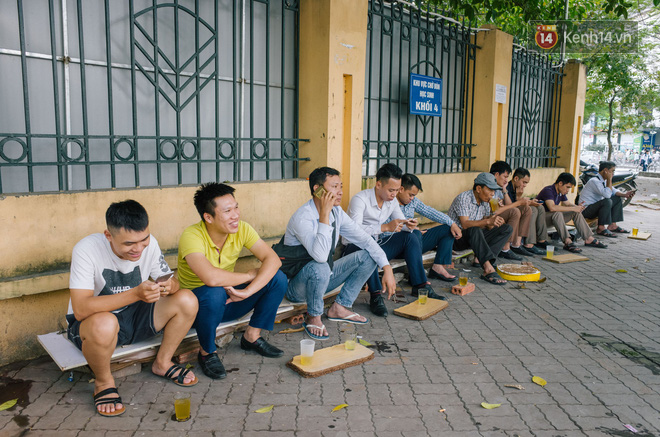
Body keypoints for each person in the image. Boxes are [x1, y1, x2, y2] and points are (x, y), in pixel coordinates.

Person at [67, 200, 199, 417]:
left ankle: (163, 362)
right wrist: (136, 293)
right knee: (105, 323)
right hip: (92, 324)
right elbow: (81, 309)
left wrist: (169, 286)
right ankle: (103, 381)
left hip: (135, 314)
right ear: (108, 236)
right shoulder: (86, 249)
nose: (138, 249)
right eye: (129, 244)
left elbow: (171, 282)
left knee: (187, 299)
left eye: (144, 239)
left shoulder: (150, 244)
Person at [177, 183, 287, 380]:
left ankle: (251, 337)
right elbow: (210, 277)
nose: (236, 215)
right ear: (208, 217)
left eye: (236, 207)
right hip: (196, 311)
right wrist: (248, 277)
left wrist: (247, 291)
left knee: (277, 278)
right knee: (214, 291)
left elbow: (273, 260)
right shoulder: (191, 235)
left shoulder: (242, 229)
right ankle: (207, 352)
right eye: (227, 211)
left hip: (229, 302)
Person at [281, 167, 396, 339]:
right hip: (297, 288)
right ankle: (314, 317)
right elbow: (320, 256)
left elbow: (365, 239)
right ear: (317, 189)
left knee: (368, 255)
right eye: (334, 187)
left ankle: (340, 307)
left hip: (323, 279)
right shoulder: (303, 217)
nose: (340, 192)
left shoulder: (337, 212)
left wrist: (387, 267)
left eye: (340, 186)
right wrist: (324, 214)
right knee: (320, 266)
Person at [344, 163, 442, 318]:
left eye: (397, 190)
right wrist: (384, 227)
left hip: (378, 244)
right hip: (354, 248)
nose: (394, 194)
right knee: (369, 249)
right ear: (378, 185)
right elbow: (353, 233)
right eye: (391, 190)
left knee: (412, 236)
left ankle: (420, 285)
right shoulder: (360, 200)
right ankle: (375, 296)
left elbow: (398, 222)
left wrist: (408, 225)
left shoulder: (392, 201)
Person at [390, 173, 462, 282]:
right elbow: (386, 231)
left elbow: (429, 212)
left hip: (415, 243)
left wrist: (452, 223)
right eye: (410, 194)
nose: (412, 198)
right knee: (416, 234)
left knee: (447, 229)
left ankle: (438, 267)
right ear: (401, 189)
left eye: (414, 195)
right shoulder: (389, 202)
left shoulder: (412, 202)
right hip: (397, 247)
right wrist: (411, 231)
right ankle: (416, 276)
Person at [448, 173, 513, 285]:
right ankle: (488, 269)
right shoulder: (464, 198)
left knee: (506, 228)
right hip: (456, 239)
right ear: (479, 188)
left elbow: (489, 226)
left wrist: (494, 217)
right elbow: (465, 224)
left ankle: (487, 261)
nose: (493, 194)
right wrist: (488, 221)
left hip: (474, 238)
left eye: (494, 191)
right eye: (490, 190)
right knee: (475, 229)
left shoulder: (486, 202)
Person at [535, 172, 607, 253]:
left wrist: (576, 207)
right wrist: (573, 208)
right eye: (567, 187)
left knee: (575, 212)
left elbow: (567, 204)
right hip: (541, 221)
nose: (568, 190)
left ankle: (588, 238)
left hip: (552, 219)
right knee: (557, 213)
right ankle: (567, 241)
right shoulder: (548, 190)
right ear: (560, 183)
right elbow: (552, 207)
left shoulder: (560, 192)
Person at [489, 161, 533, 260]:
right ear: (496, 174)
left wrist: (505, 190)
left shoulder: (499, 187)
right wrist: (518, 201)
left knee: (525, 209)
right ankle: (505, 248)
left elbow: (507, 206)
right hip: (487, 218)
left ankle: (516, 244)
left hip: (494, 213)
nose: (506, 180)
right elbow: (495, 211)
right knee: (515, 211)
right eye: (505, 176)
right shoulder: (489, 186)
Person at [580, 161, 634, 237]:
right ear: (605, 170)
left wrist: (625, 195)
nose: (613, 174)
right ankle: (601, 228)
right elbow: (607, 195)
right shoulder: (594, 181)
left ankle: (613, 225)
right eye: (612, 171)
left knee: (617, 198)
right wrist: (609, 180)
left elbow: (613, 191)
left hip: (594, 208)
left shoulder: (603, 181)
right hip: (586, 210)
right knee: (607, 201)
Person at [506, 167, 548, 255]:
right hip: (510, 211)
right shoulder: (507, 187)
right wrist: (524, 201)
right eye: (524, 182)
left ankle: (541, 240)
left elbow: (518, 201)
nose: (525, 185)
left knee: (540, 208)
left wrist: (528, 200)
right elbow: (511, 205)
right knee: (531, 209)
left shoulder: (517, 188)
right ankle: (527, 243)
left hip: (516, 209)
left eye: (526, 183)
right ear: (516, 178)